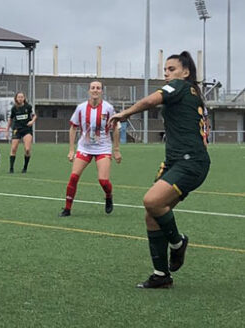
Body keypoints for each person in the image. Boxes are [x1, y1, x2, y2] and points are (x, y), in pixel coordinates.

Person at [108, 51, 209, 289]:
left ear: (186, 72)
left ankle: (178, 243)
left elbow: (151, 100)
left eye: (171, 69)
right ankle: (161, 275)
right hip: (178, 161)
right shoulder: (192, 93)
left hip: (189, 162)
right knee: (152, 215)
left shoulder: (180, 87)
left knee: (152, 201)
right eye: (165, 70)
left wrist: (125, 113)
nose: (166, 74)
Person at [59, 81, 121, 217]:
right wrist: (71, 149)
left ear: (102, 91)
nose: (95, 90)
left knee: (103, 181)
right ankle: (67, 209)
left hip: (103, 148)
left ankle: (109, 196)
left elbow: (115, 128)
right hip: (84, 147)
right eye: (93, 88)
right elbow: (73, 127)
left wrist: (116, 149)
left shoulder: (108, 108)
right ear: (88, 91)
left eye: (98, 88)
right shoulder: (81, 108)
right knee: (74, 177)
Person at [6, 92, 36, 173]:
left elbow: (34, 115)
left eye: (22, 97)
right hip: (17, 130)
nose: (20, 98)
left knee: (27, 149)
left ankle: (25, 168)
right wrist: (7, 130)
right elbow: (10, 119)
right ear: (16, 98)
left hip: (27, 130)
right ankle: (11, 168)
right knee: (13, 148)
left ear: (24, 98)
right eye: (19, 97)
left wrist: (32, 121)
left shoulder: (28, 107)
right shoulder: (14, 108)